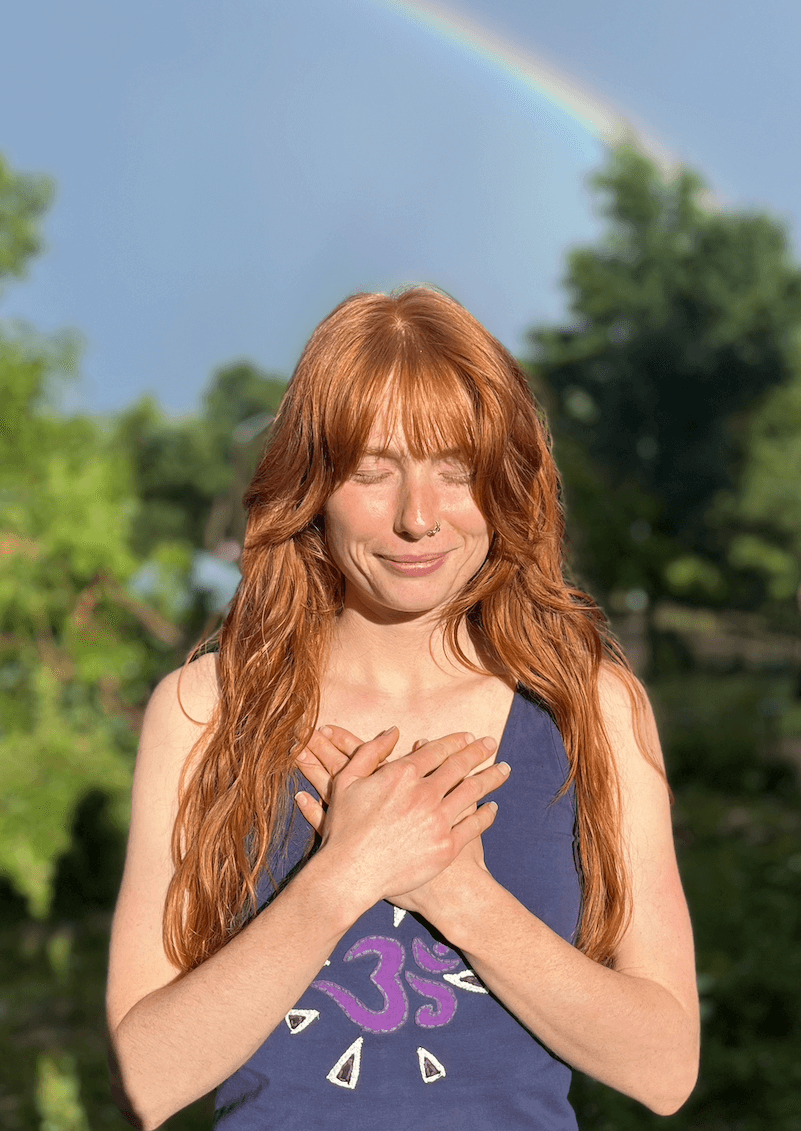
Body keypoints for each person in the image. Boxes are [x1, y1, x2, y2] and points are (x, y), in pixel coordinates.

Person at [107, 286, 699, 1130]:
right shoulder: (203, 712)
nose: (418, 518)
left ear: (506, 484)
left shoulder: (590, 710)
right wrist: (346, 873)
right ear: (312, 485)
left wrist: (459, 895)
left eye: (456, 470)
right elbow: (146, 1082)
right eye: (372, 472)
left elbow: (667, 1068)